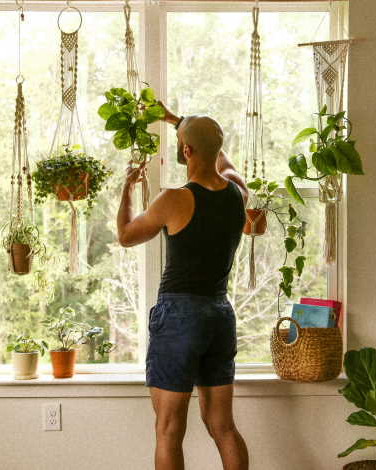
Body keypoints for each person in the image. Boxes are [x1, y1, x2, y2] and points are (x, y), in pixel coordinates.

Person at [117, 103, 249, 470]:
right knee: (223, 427)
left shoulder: (175, 198)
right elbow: (220, 158)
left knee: (168, 429)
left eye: (179, 141)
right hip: (220, 315)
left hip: (180, 317)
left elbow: (126, 236)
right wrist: (179, 122)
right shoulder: (238, 192)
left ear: (186, 151)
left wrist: (126, 189)